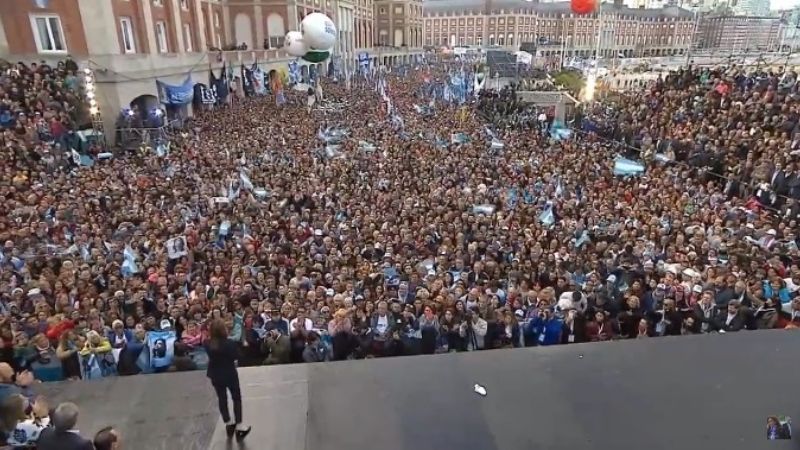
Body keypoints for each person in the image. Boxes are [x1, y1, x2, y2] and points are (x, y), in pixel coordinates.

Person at [205, 319, 251, 441]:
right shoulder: (229, 344)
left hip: (215, 374)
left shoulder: (207, 343)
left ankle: (228, 422)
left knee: (222, 398)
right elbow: (237, 356)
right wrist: (244, 348)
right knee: (236, 398)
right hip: (229, 374)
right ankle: (240, 425)